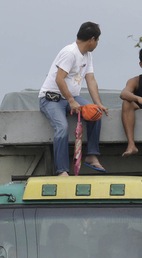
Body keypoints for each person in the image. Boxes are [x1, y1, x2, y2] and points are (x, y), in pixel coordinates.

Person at [39, 22, 109, 177]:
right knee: (62, 128)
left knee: (95, 113)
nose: (97, 44)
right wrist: (71, 100)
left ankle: (91, 155)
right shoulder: (70, 53)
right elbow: (59, 79)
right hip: (52, 99)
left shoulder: (87, 55)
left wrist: (98, 104)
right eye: (97, 41)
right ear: (92, 39)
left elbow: (90, 80)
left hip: (72, 98)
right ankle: (62, 170)